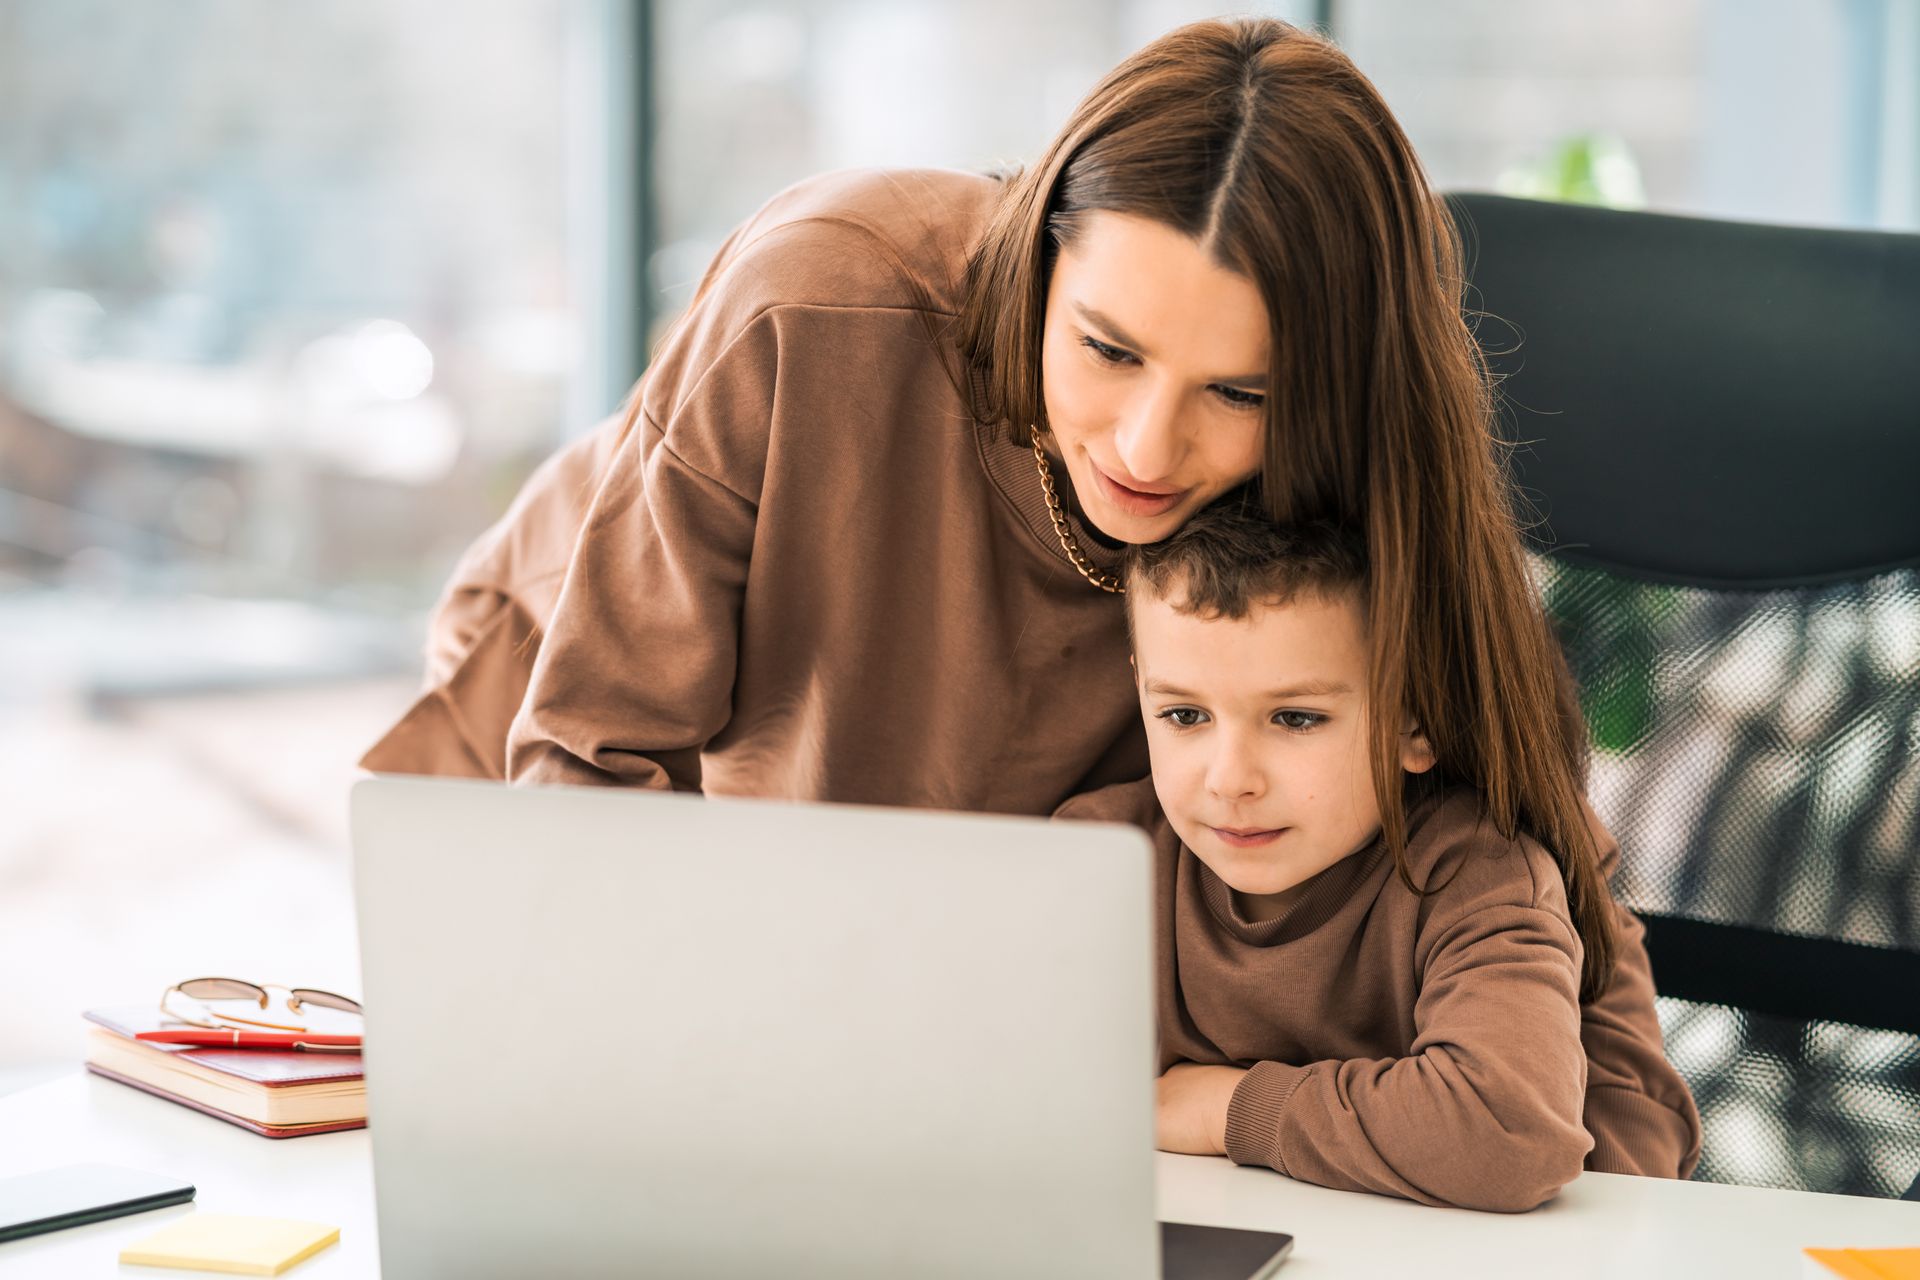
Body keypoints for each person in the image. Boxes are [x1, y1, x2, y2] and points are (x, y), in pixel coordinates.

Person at [359, 16, 1694, 1179]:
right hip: (581, 776)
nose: (1146, 447)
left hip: (942, 996)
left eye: (1242, 394)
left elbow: (1536, 851)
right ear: (1042, 255)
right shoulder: (818, 301)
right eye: (1107, 349)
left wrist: (1613, 1197)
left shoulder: (1352, 475)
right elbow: (585, 784)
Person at [1059, 502, 1702, 1212]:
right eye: (1184, 715)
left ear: (1413, 723)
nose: (1229, 779)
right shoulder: (1097, 857)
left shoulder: (1474, 870)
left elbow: (1508, 1130)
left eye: (1296, 718)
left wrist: (1230, 1108)